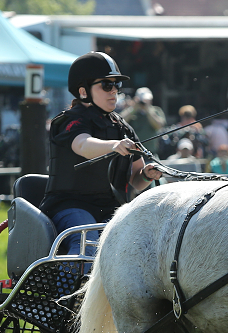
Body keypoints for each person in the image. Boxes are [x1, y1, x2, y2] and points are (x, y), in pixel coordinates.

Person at [40, 52, 162, 256]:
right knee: (88, 242)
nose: (114, 91)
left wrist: (147, 175)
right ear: (83, 91)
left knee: (136, 250)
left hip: (111, 209)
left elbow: (136, 180)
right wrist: (114, 145)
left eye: (116, 85)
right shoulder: (69, 121)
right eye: (106, 85)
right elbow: (83, 145)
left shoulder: (123, 127)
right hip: (69, 206)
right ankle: (73, 288)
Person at [121, 87, 165, 153]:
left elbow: (159, 126)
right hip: (134, 153)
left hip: (151, 152)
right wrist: (133, 108)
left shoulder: (156, 110)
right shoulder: (132, 111)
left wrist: (148, 110)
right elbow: (120, 122)